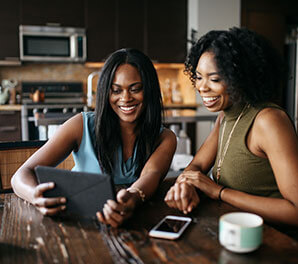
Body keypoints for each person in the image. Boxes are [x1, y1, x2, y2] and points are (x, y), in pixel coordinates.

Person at [11, 48, 177, 227]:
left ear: (150, 90)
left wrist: (133, 197)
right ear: (106, 93)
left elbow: (151, 174)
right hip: (78, 224)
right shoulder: (80, 125)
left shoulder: (165, 138)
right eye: (116, 91)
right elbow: (20, 175)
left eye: (135, 89)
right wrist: (35, 194)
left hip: (134, 226)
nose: (126, 98)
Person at [164, 27, 298, 229]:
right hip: (234, 230)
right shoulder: (226, 115)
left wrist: (219, 192)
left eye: (215, 79)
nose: (202, 87)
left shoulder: (269, 121)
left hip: (275, 241)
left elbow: (297, 211)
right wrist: (185, 184)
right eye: (199, 76)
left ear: (241, 78)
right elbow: (197, 166)